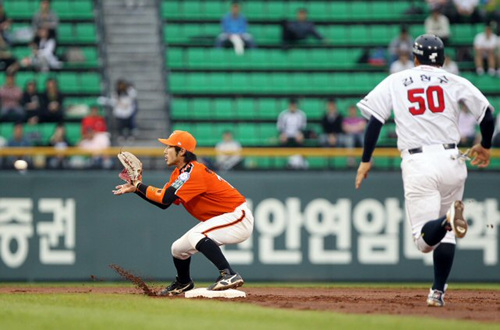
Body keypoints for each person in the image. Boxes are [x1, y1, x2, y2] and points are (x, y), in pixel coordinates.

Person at [356, 34, 495, 307]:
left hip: (419, 162)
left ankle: (445, 221)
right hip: (452, 158)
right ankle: (437, 292)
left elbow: (375, 119)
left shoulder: (397, 80)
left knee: (423, 241)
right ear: (442, 59)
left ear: (416, 57)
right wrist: (486, 146)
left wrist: (365, 159)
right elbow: (487, 114)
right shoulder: (455, 80)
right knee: (450, 235)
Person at [113, 130, 254, 295]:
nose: (165, 151)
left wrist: (138, 185)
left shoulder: (192, 172)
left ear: (182, 151)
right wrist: (136, 189)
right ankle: (184, 282)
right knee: (178, 249)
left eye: (169, 147)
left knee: (197, 235)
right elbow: (164, 203)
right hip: (225, 217)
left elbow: (165, 198)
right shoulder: (180, 173)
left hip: (237, 216)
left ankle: (229, 274)